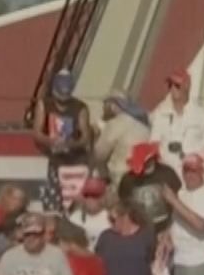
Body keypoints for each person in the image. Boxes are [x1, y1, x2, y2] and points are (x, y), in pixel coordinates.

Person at [32, 69, 97, 203]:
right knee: (53, 197)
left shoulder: (80, 108)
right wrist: (51, 142)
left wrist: (70, 144)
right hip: (54, 158)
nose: (62, 101)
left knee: (74, 198)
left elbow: (85, 137)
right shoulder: (44, 105)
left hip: (75, 159)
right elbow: (37, 133)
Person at [150, 71, 204, 173]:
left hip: (193, 176)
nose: (173, 89)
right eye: (170, 85)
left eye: (177, 85)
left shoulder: (202, 115)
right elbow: (154, 145)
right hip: (168, 176)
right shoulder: (160, 113)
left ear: (187, 86)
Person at [94, 95, 152, 185]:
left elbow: (100, 154)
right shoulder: (145, 123)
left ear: (113, 106)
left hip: (119, 178)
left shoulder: (117, 123)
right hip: (142, 179)